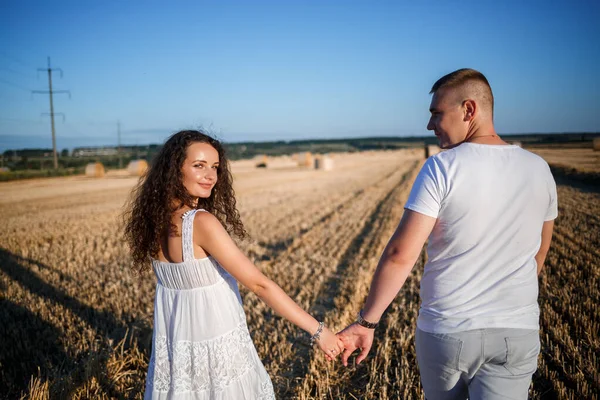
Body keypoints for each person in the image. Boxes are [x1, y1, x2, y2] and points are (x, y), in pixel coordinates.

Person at [337, 68, 557, 400]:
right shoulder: (539, 168)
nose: (429, 125)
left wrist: (367, 322)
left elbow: (401, 255)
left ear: (469, 110)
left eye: (437, 113)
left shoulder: (442, 167)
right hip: (516, 330)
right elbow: (539, 251)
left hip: (448, 333)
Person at [123, 130, 344, 399]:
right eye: (199, 165)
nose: (210, 176)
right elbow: (260, 285)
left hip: (179, 350)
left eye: (215, 167)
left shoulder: (155, 220)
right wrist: (318, 330)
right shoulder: (200, 222)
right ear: (174, 169)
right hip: (217, 347)